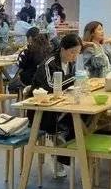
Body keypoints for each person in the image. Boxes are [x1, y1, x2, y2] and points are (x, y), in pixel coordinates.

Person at [30, 33, 82, 177]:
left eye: (77, 53)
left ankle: (62, 151)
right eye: (72, 52)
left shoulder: (70, 63)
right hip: (41, 108)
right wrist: (74, 78)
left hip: (61, 105)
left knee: (82, 118)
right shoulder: (49, 63)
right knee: (72, 121)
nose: (75, 56)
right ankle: (60, 152)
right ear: (63, 49)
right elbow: (51, 86)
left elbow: (67, 86)